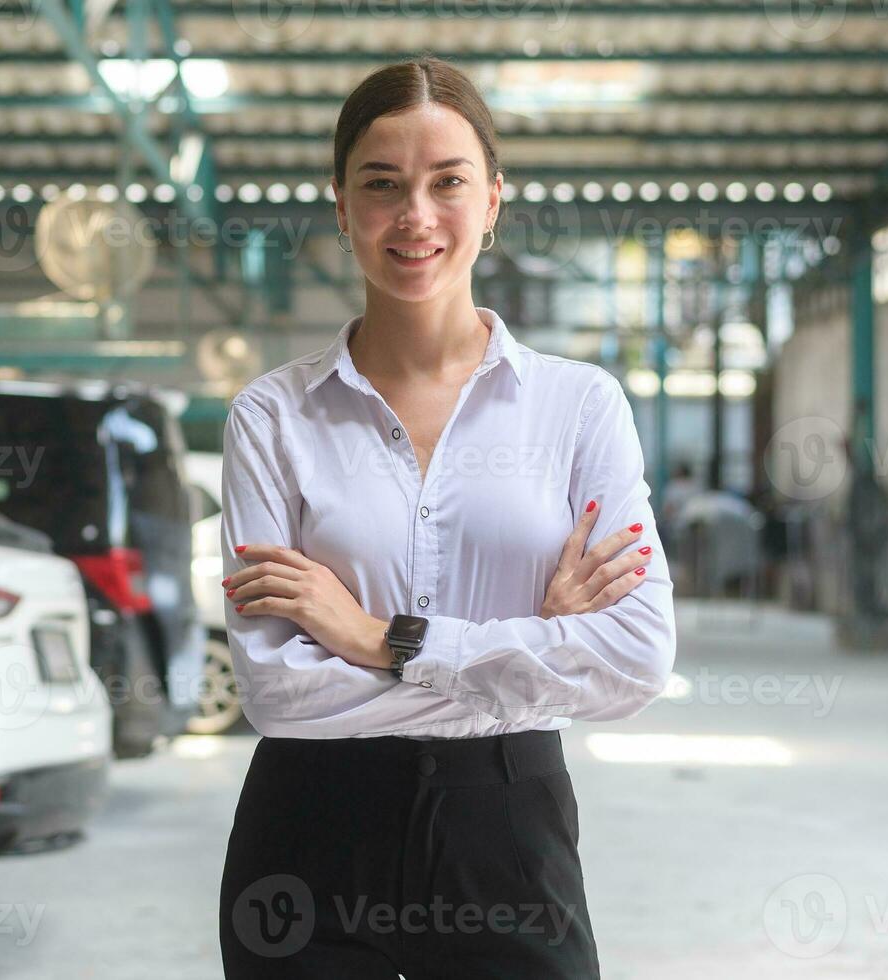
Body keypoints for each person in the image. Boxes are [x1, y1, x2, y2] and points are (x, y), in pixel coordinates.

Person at [217, 57, 678, 979]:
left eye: (448, 182)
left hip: (503, 826)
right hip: (309, 834)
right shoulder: (274, 417)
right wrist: (533, 647)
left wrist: (380, 637)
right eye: (381, 185)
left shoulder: (579, 409)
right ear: (342, 207)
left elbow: (634, 659)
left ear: (495, 197)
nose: (415, 216)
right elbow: (276, 690)